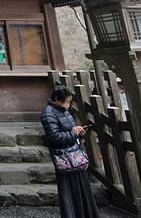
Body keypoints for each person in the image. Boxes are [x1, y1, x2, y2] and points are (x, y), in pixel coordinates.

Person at [40, 85, 100, 218]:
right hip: (64, 158)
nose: (68, 105)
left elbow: (69, 132)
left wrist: (79, 133)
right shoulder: (48, 113)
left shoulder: (63, 111)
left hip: (74, 156)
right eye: (66, 101)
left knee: (81, 188)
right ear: (57, 99)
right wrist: (73, 133)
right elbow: (54, 137)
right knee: (69, 192)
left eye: (69, 102)